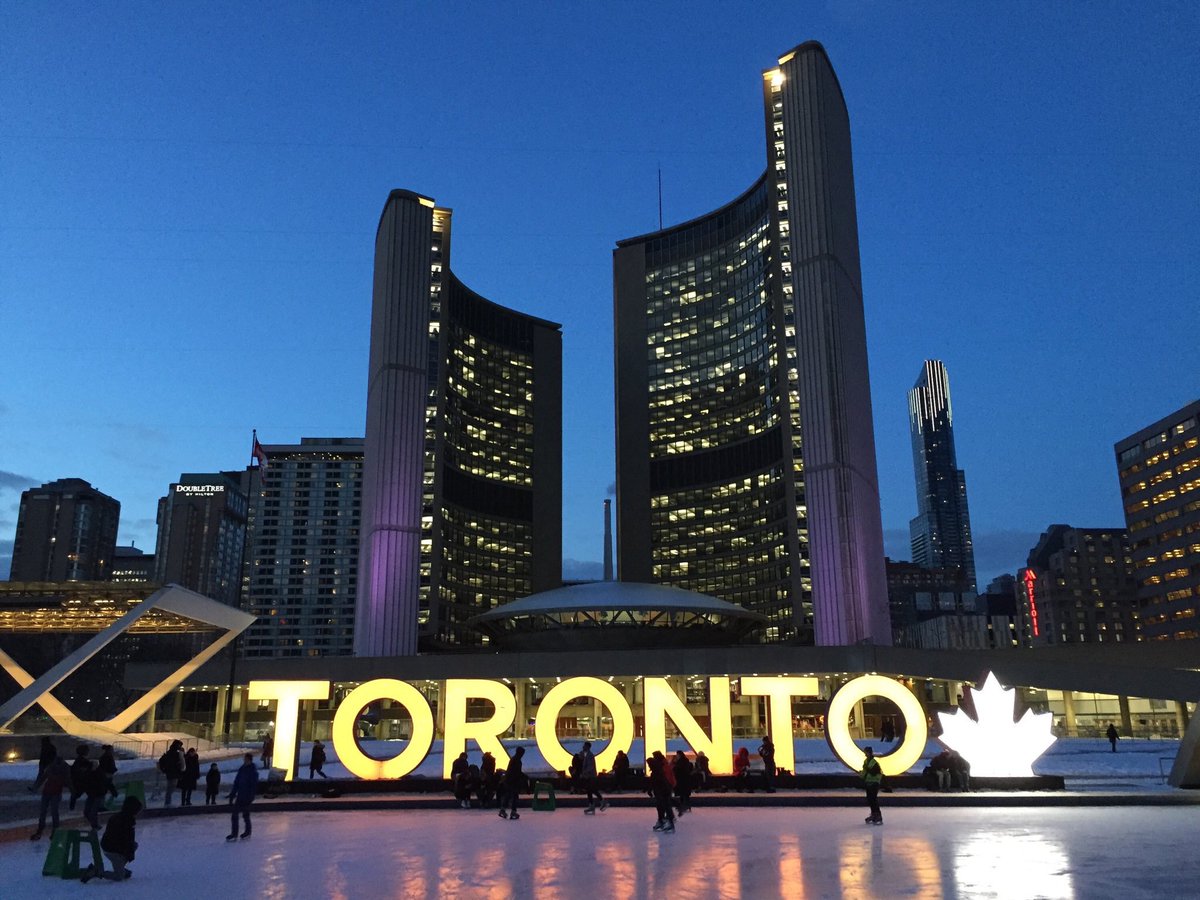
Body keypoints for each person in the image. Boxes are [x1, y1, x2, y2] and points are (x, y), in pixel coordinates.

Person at [81, 795, 141, 882]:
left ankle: (120, 868)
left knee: (133, 846)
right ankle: (96, 872)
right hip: (112, 849)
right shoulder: (128, 821)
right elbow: (127, 840)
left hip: (108, 845)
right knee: (118, 876)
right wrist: (130, 853)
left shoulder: (118, 816)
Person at [30, 754, 70, 840]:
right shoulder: (58, 767)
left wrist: (36, 787)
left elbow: (44, 777)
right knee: (48, 812)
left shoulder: (59, 768)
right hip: (49, 792)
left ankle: (47, 831)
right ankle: (46, 831)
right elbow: (44, 777)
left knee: (50, 812)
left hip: (53, 792)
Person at [227, 752, 260, 841]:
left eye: (245, 759)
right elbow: (236, 783)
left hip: (247, 797)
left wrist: (251, 797)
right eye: (244, 759)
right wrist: (232, 794)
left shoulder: (253, 772)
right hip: (240, 796)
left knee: (245, 815)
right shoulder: (242, 769)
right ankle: (234, 834)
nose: (244, 761)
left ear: (249, 760)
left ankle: (248, 832)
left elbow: (253, 786)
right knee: (234, 815)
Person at [647, 751, 675, 834]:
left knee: (665, 806)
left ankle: (669, 823)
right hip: (662, 791)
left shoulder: (657, 771)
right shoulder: (658, 769)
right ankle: (663, 821)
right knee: (662, 807)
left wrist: (650, 790)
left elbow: (658, 782)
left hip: (662, 791)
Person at [579, 741, 607, 814]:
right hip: (589, 776)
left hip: (591, 776)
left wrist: (584, 773)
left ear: (587, 747)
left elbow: (590, 767)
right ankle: (594, 804)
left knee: (591, 790)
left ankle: (599, 802)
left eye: (584, 746)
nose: (583, 747)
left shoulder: (590, 756)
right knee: (590, 790)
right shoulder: (587, 755)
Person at [498, 746, 525, 820]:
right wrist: (523, 777)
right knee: (514, 796)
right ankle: (513, 811)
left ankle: (503, 810)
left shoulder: (513, 759)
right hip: (513, 781)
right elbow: (516, 772)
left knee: (508, 795)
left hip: (509, 780)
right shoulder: (517, 761)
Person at [81, 763, 109, 831]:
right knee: (87, 811)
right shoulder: (88, 774)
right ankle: (95, 825)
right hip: (92, 794)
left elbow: (104, 783)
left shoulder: (98, 773)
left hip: (98, 794)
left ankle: (95, 826)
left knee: (92, 812)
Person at [159, 739, 185, 806]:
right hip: (173, 772)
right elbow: (181, 763)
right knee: (171, 788)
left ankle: (168, 802)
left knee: (170, 787)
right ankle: (167, 802)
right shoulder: (175, 753)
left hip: (171, 772)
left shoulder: (171, 752)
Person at [862, 746, 883, 825]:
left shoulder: (874, 762)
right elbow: (865, 771)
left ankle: (878, 815)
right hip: (868, 782)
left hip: (874, 783)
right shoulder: (866, 761)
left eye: (866, 752)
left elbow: (875, 772)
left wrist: (867, 770)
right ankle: (874, 814)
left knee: (873, 799)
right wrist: (862, 775)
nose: (865, 754)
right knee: (870, 799)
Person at [69, 744, 94, 811]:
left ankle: (72, 807)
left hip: (80, 781)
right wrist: (90, 765)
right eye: (87, 750)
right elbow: (83, 770)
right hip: (82, 782)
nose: (88, 752)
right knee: (90, 794)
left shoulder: (79, 760)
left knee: (76, 795)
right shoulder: (82, 761)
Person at [672, 750, 694, 815]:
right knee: (685, 794)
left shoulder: (681, 762)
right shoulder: (685, 761)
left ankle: (683, 806)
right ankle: (686, 806)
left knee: (682, 794)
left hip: (682, 780)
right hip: (685, 780)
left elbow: (678, 769)